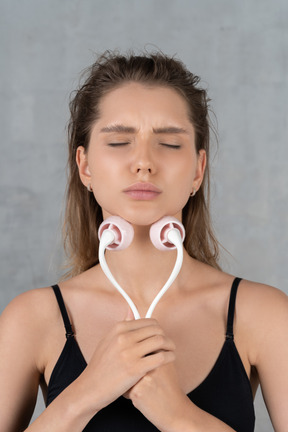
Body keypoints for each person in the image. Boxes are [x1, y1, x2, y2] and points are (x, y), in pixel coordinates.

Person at [0, 50, 287, 432]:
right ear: (84, 167)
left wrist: (175, 414)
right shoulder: (31, 319)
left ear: (198, 170)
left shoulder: (262, 314)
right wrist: (86, 392)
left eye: (169, 144)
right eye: (119, 142)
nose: (144, 163)